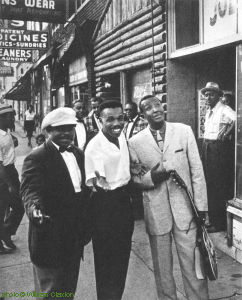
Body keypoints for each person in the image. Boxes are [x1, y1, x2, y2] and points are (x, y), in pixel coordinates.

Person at [128, 95, 209, 300]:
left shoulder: (183, 131)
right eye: (148, 107)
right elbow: (135, 179)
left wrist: (201, 207)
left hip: (186, 211)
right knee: (162, 269)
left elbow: (197, 171)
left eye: (157, 104)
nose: (155, 109)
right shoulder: (135, 142)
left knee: (193, 264)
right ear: (142, 114)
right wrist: (152, 178)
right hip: (156, 212)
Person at [20, 107, 90, 299]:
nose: (67, 133)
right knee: (50, 292)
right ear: (47, 131)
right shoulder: (37, 157)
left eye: (70, 128)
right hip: (49, 235)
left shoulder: (78, 153)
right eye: (60, 129)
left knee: (68, 290)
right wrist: (35, 209)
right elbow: (29, 190)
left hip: (74, 236)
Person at [85, 100, 134, 300]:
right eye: (110, 119)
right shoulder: (94, 147)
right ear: (99, 120)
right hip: (105, 206)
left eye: (120, 118)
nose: (117, 123)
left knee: (122, 258)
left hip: (123, 202)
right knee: (107, 262)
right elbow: (100, 184)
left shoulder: (120, 136)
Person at [201, 82, 236, 232]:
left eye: (211, 94)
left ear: (219, 96)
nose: (208, 97)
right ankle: (213, 220)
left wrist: (227, 132)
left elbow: (237, 119)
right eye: (206, 94)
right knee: (209, 184)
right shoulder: (209, 111)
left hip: (218, 149)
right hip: (207, 147)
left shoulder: (224, 109)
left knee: (218, 185)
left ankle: (219, 223)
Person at [0, 104, 24, 253]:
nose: (14, 120)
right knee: (2, 210)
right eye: (11, 117)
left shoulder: (6, 131)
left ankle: (5, 234)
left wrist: (12, 141)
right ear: (1, 118)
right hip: (4, 175)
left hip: (11, 171)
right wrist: (9, 184)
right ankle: (3, 240)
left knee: (19, 206)